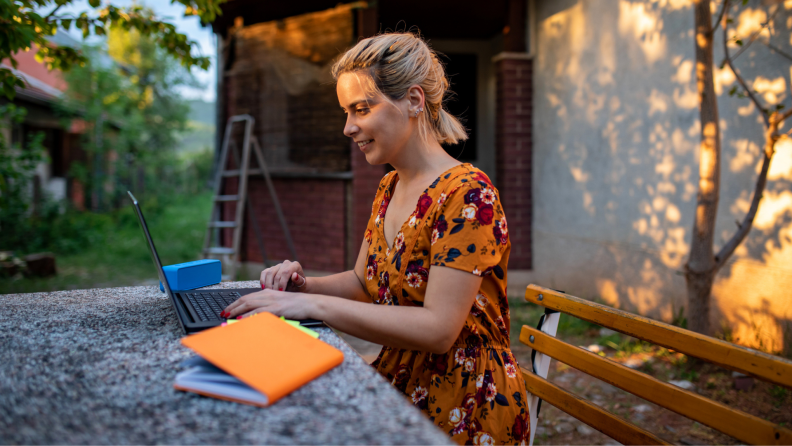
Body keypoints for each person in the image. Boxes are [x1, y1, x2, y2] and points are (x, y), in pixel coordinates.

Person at [222, 32, 530, 445]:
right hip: (401, 377)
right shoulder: (389, 187)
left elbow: (439, 329)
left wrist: (310, 304)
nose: (348, 128)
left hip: (466, 401)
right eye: (346, 112)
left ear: (415, 101)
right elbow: (365, 282)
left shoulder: (468, 194)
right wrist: (302, 285)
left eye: (361, 109)